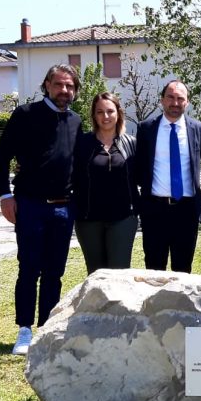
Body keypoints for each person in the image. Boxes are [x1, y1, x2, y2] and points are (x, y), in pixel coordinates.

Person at [0, 64, 82, 355]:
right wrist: (6, 196)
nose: (64, 90)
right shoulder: (25, 115)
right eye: (58, 84)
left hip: (63, 210)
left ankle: (46, 329)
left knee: (55, 272)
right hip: (29, 206)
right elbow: (0, 158)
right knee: (29, 269)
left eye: (69, 86)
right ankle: (24, 331)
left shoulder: (77, 121)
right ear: (46, 85)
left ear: (75, 90)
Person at [134, 80, 201, 272]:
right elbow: (138, 166)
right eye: (170, 97)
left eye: (180, 98)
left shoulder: (199, 129)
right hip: (154, 212)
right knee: (154, 269)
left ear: (187, 102)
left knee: (183, 270)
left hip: (186, 211)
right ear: (162, 101)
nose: (175, 102)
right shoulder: (146, 129)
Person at [72, 92, 139, 274]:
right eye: (100, 112)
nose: (106, 116)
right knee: (96, 274)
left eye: (110, 111)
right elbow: (65, 171)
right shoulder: (82, 144)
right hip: (88, 220)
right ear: (94, 115)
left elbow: (145, 175)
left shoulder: (132, 144)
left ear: (118, 113)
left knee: (119, 273)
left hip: (123, 218)